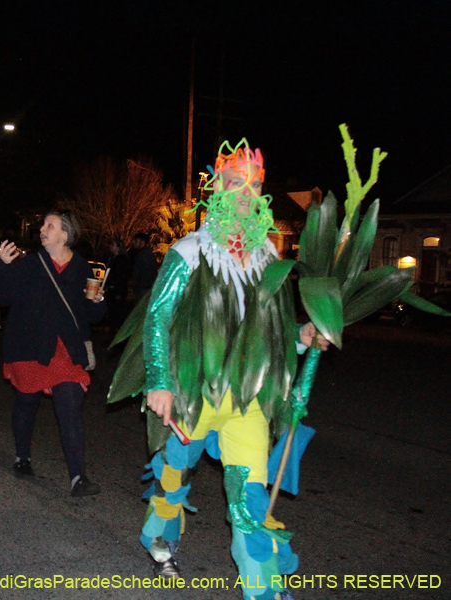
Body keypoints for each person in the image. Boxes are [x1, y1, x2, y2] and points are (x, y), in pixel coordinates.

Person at [134, 141, 327, 599]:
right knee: (173, 477)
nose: (244, 193)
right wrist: (160, 381)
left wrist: (302, 337)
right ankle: (159, 539)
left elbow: (275, 330)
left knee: (249, 503)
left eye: (253, 185)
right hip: (194, 395)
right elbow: (158, 317)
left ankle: (262, 592)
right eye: (235, 182)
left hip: (247, 401)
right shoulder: (190, 251)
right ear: (216, 188)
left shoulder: (269, 258)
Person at [0, 210, 106, 497]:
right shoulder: (30, 263)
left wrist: (99, 300)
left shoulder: (82, 268)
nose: (42, 229)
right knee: (27, 401)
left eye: (49, 225)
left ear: (64, 235)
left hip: (66, 350)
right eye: (43, 224)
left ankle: (78, 477)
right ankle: (22, 457)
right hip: (30, 345)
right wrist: (3, 267)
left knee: (70, 409)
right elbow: (3, 297)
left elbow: (93, 315)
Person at [102, 239, 130, 331]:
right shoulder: (112, 258)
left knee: (117, 313)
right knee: (112, 312)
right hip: (112, 289)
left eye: (113, 245)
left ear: (118, 247)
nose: (110, 247)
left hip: (117, 290)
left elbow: (122, 277)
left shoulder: (122, 260)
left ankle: (116, 334)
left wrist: (119, 292)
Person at [129, 232, 157, 301]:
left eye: (136, 241)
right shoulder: (141, 254)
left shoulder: (144, 255)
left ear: (142, 242)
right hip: (143, 288)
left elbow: (146, 273)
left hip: (143, 289)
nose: (134, 243)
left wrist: (140, 287)